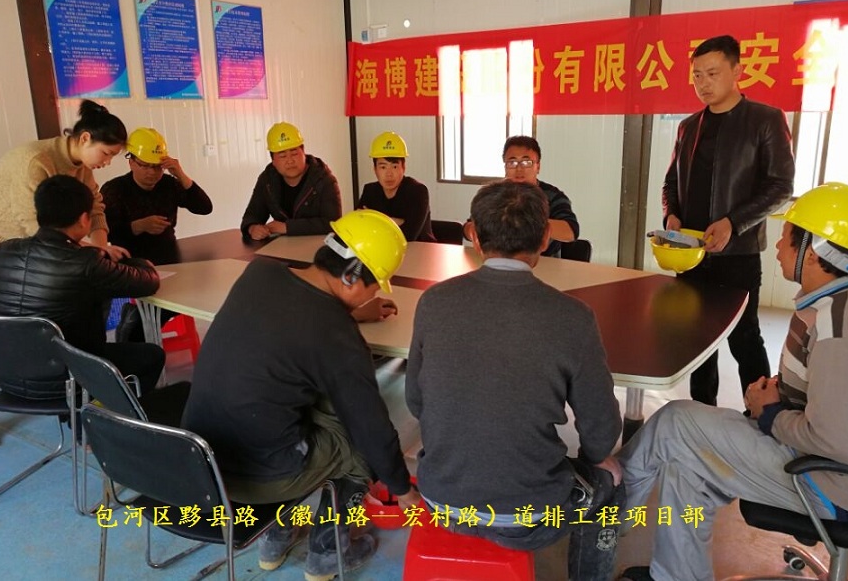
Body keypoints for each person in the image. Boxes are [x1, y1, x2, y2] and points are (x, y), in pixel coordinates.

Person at [616, 182, 848, 581]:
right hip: (828, 469)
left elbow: (837, 441)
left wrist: (771, 413)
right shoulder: (840, 303)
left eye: (785, 239)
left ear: (813, 254)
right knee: (686, 465)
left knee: (674, 422)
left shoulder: (838, 326)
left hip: (830, 485)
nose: (776, 248)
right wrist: (783, 393)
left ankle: (604, 516)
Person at [182, 209, 420, 580]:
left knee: (306, 399)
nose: (374, 293)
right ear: (351, 276)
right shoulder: (336, 335)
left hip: (199, 461)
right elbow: (371, 428)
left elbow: (292, 317)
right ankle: (328, 552)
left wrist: (351, 314)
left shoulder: (261, 274)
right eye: (374, 285)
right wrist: (403, 490)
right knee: (361, 443)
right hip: (257, 477)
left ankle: (274, 539)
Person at [407, 179, 623, 580]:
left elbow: (416, 401)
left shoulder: (433, 302)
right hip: (528, 519)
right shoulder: (573, 316)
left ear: (474, 235)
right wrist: (597, 458)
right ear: (545, 239)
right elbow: (601, 431)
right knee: (612, 479)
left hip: (441, 501)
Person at [662, 35, 795, 406]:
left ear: (737, 71)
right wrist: (671, 213)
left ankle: (763, 414)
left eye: (713, 73)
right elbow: (671, 182)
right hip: (690, 253)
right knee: (698, 339)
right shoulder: (689, 126)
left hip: (738, 254)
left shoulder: (765, 120)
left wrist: (734, 223)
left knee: (744, 337)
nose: (703, 83)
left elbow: (781, 186)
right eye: (697, 75)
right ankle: (702, 411)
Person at [0, 175, 169, 405]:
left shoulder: (4, 251)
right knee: (152, 356)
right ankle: (112, 419)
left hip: (6, 375)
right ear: (84, 219)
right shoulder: (84, 262)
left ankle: (84, 414)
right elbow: (149, 282)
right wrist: (139, 262)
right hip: (66, 380)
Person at [0, 100, 129, 260]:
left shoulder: (82, 165)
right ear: (85, 138)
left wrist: (102, 249)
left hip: (38, 248)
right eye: (106, 153)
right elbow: (33, 225)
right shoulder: (36, 161)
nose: (107, 162)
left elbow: (94, 208)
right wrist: (93, 250)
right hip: (5, 247)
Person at [101, 127, 213, 266]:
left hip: (169, 258)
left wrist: (181, 175)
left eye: (157, 166)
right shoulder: (114, 189)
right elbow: (105, 233)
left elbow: (204, 208)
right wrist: (137, 226)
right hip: (129, 261)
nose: (152, 172)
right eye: (145, 166)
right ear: (131, 163)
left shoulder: (169, 184)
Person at [462, 135, 579, 257]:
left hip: (543, 262)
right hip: (498, 261)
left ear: (538, 166)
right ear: (505, 167)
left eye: (526, 162)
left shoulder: (553, 196)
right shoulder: (493, 194)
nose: (519, 169)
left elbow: (571, 232)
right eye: (512, 162)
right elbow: (467, 230)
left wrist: (525, 223)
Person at [240, 122, 342, 240]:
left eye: (294, 153)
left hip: (318, 245)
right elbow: (252, 215)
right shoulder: (267, 180)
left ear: (303, 152)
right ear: (273, 161)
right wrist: (252, 228)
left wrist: (287, 227)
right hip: (282, 246)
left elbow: (332, 223)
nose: (290, 161)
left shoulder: (324, 179)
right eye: (282, 156)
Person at [357, 131, 436, 242]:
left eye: (394, 166)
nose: (389, 174)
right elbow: (359, 227)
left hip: (420, 249)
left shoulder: (418, 191)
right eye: (383, 167)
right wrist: (397, 222)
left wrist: (374, 220)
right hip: (382, 248)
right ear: (375, 169)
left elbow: (408, 235)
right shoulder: (369, 191)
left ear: (403, 167)